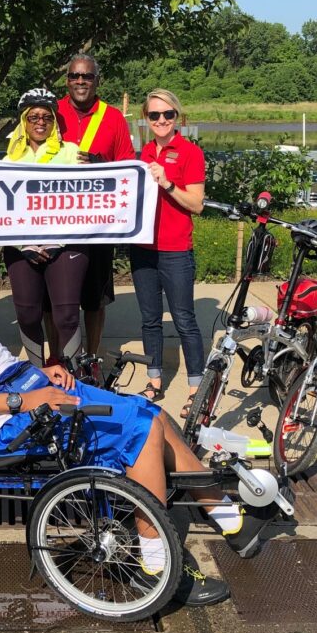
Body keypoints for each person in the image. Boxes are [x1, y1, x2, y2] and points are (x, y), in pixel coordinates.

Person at [0, 192, 280, 606]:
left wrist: (40, 373)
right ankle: (154, 568)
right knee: (144, 430)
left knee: (154, 413)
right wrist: (23, 401)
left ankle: (229, 518)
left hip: (30, 394)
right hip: (7, 425)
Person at [131, 89, 206, 418]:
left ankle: (196, 388)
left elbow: (198, 204)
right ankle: (154, 380)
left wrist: (168, 184)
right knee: (149, 321)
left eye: (167, 115)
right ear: (146, 120)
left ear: (178, 117)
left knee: (184, 320)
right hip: (143, 250)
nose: (161, 121)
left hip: (175, 249)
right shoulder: (144, 151)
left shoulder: (191, 153)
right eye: (154, 116)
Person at [56, 54, 136, 363]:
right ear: (68, 80)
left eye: (86, 77)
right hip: (58, 220)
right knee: (56, 300)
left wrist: (101, 164)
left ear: (96, 81)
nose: (80, 81)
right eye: (75, 76)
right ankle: (58, 359)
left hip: (97, 222)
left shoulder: (112, 117)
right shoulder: (53, 113)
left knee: (94, 298)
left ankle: (91, 358)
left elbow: (129, 165)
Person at [3, 87, 86, 367]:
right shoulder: (9, 160)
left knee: (66, 315)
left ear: (53, 122)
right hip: (22, 246)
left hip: (64, 245)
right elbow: (1, 212)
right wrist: (21, 245)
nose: (40, 122)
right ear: (24, 121)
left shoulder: (71, 152)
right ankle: (38, 374)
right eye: (34, 117)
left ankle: (77, 376)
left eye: (47, 118)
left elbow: (91, 200)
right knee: (27, 314)